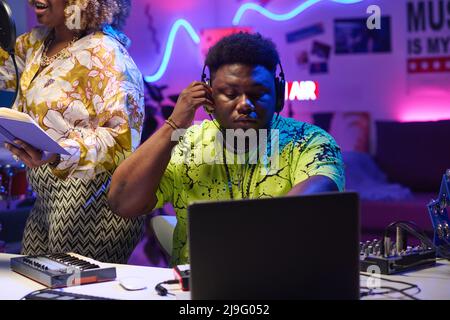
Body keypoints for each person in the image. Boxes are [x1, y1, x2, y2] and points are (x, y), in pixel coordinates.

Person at [108, 32, 345, 266]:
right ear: (209, 96)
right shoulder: (186, 142)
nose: (244, 104)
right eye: (230, 94)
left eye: (257, 94)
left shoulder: (310, 141)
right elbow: (122, 201)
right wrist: (174, 124)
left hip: (283, 283)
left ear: (278, 96)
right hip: (197, 291)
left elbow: (316, 199)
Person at [0, 0, 144, 263]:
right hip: (46, 194)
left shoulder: (106, 52)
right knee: (33, 286)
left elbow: (121, 140)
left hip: (91, 200)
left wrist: (56, 152)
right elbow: (4, 73)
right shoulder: (35, 43)